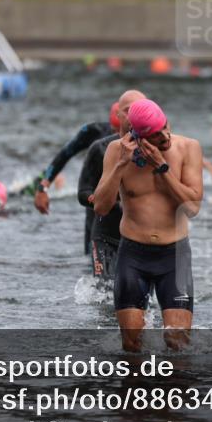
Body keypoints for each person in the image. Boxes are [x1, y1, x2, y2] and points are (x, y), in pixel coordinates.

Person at [93, 99, 204, 352]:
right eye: (156, 135)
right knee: (132, 344)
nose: (165, 136)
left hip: (174, 256)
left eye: (166, 127)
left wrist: (161, 168)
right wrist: (121, 164)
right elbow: (100, 207)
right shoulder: (115, 151)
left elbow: (192, 208)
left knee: (177, 342)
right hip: (133, 256)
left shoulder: (189, 147)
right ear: (139, 137)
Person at [77, 91, 146, 288]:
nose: (133, 115)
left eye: (139, 110)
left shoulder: (155, 150)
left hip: (141, 237)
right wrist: (106, 201)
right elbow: (82, 192)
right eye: (128, 110)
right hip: (105, 236)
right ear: (118, 115)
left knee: (140, 296)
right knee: (105, 294)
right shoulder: (100, 148)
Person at [32, 103, 121, 253]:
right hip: (96, 206)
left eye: (124, 131)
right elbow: (65, 153)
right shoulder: (94, 133)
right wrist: (43, 187)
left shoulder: (146, 140)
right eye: (115, 130)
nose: (119, 136)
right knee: (91, 258)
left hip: (129, 211)